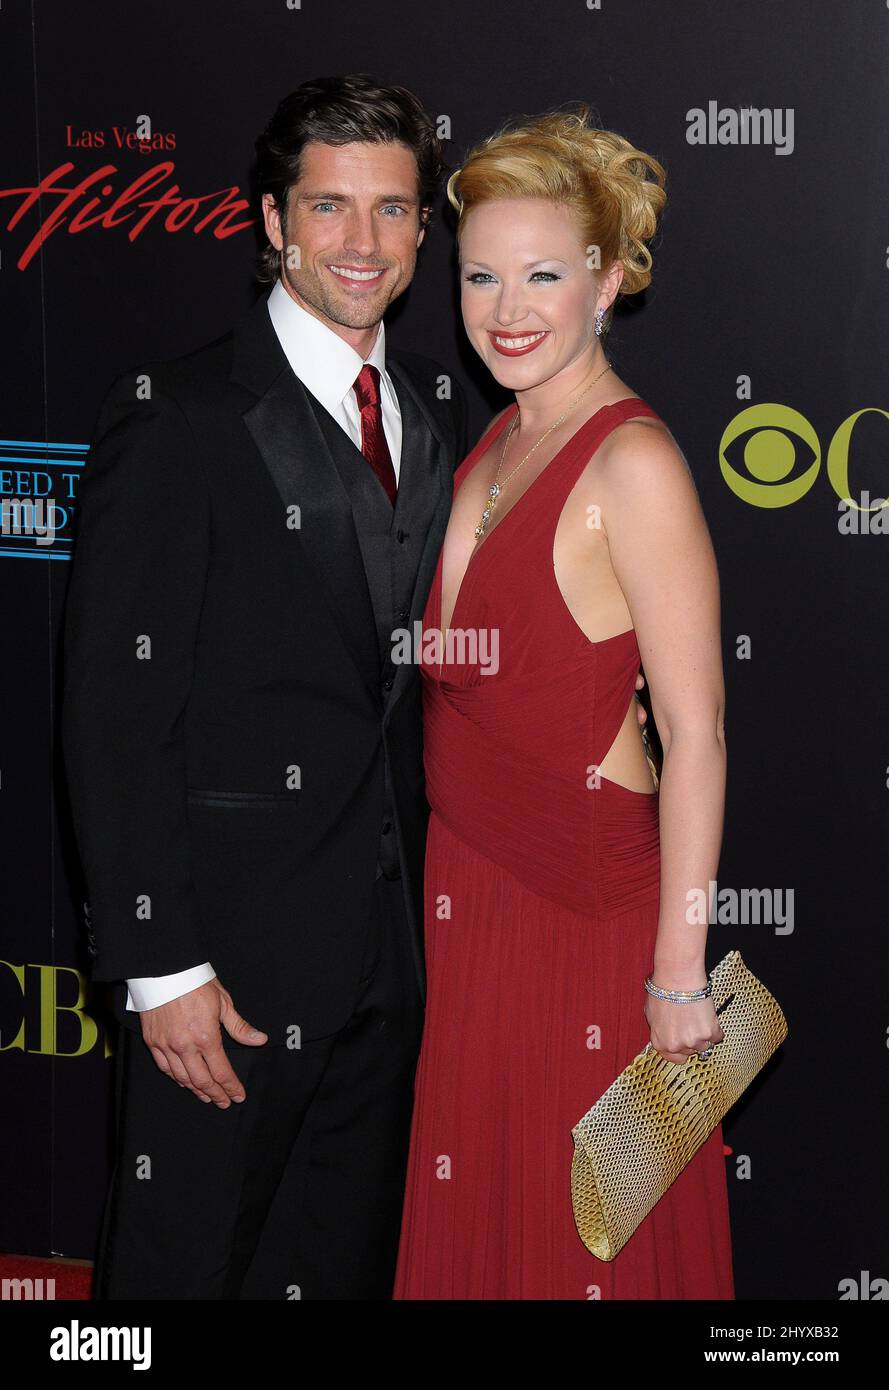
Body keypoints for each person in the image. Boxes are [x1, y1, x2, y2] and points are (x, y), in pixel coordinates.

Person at [61, 74, 470, 1300]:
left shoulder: (428, 414)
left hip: (379, 978)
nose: (362, 242)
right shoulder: (177, 417)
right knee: (178, 1277)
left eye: (392, 211)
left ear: (419, 233)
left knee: (331, 1273)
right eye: (330, 207)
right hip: (223, 980)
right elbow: (108, 711)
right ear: (272, 222)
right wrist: (162, 966)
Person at [393, 106, 735, 1300]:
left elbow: (694, 733)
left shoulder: (629, 462)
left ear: (606, 278)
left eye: (542, 272)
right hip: (471, 904)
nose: (507, 307)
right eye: (481, 275)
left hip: (591, 928)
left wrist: (678, 969)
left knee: (579, 1251)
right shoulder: (489, 448)